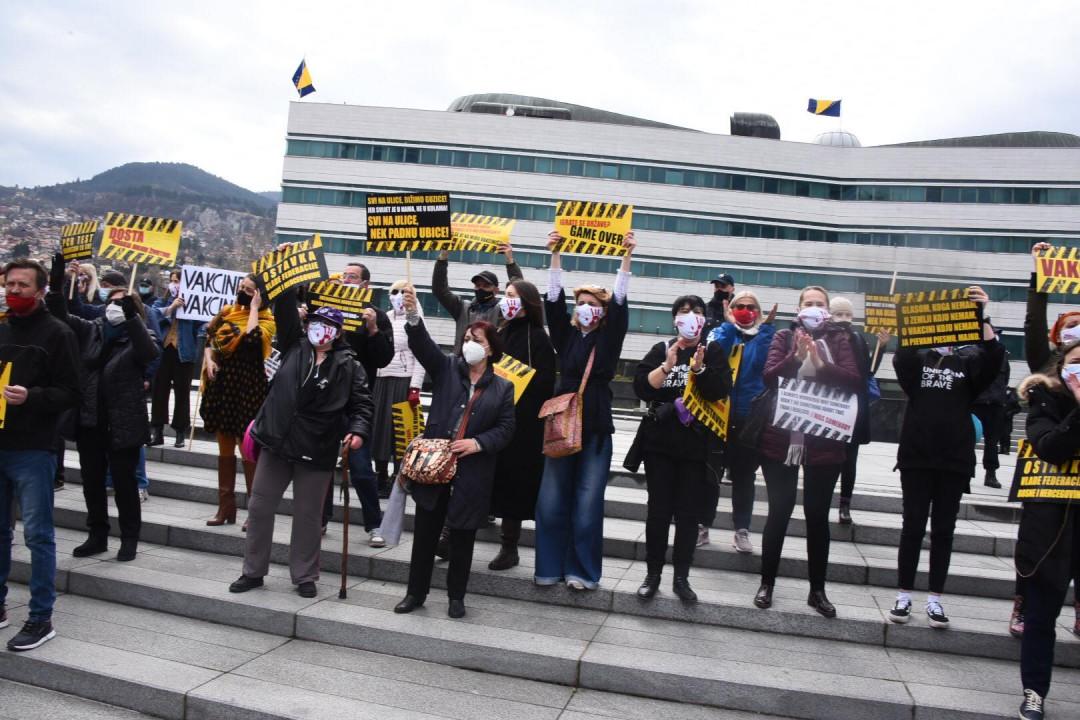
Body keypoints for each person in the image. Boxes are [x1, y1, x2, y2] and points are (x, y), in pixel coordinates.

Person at [228, 297, 373, 599]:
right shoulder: (294, 345)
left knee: (308, 516)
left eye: (329, 325)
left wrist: (357, 431)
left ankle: (305, 575)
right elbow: (283, 308)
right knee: (259, 507)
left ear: (338, 332)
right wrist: (290, 284)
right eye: (316, 323)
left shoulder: (349, 366)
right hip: (277, 441)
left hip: (316, 449)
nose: (321, 329)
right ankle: (253, 571)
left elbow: (362, 405)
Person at [393, 288, 515, 618]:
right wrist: (413, 314)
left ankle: (456, 597)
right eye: (466, 339)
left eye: (477, 340)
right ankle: (415, 594)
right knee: (425, 536)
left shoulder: (504, 387)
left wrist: (478, 443)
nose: (470, 345)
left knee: (462, 537)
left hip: (472, 472)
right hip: (435, 467)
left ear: (491, 349)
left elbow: (506, 429)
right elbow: (423, 346)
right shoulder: (447, 368)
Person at [888, 287, 1002, 629]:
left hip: (954, 461)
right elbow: (902, 355)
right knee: (912, 527)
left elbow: (994, 358)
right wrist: (912, 318)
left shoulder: (968, 364)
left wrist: (982, 313)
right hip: (917, 458)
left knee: (943, 531)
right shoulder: (918, 361)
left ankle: (935, 599)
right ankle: (904, 595)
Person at [533, 231, 634, 591]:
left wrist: (626, 258)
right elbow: (553, 303)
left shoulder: (609, 338)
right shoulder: (567, 337)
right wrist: (556, 255)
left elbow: (621, 305)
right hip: (561, 424)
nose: (585, 307)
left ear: (602, 311)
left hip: (594, 429)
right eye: (582, 301)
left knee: (587, 503)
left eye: (593, 302)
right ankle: (548, 567)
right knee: (550, 500)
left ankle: (582, 571)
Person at [752, 286, 861, 617]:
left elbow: (853, 380)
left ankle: (817, 590)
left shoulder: (841, 340)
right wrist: (796, 357)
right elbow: (769, 377)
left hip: (825, 440)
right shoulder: (784, 337)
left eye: (820, 304)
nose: (814, 308)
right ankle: (767, 583)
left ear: (828, 310)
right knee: (779, 513)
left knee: (817, 517)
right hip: (781, 438)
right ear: (798, 309)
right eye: (808, 304)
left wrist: (819, 362)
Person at [47, 255, 160, 563]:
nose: (114, 306)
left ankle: (129, 538)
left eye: (122, 302)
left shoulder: (141, 335)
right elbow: (61, 315)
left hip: (123, 423)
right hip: (90, 420)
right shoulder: (92, 330)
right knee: (92, 482)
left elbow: (148, 353)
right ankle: (97, 534)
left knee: (124, 484)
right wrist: (58, 284)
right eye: (112, 300)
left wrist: (132, 319)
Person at [0, 257, 80, 652]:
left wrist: (31, 398)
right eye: (9, 284)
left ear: (42, 290)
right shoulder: (0, 326)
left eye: (22, 286)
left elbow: (72, 392)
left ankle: (40, 617)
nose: (14, 291)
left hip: (33, 449)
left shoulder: (58, 333)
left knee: (37, 536)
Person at [632, 295, 731, 603]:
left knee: (688, 515)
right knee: (658, 512)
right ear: (675, 318)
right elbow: (642, 387)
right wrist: (667, 366)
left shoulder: (713, 351)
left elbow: (721, 390)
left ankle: (681, 577)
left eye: (697, 312)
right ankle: (653, 574)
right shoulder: (662, 349)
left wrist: (700, 370)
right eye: (685, 312)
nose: (691, 317)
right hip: (659, 444)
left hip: (695, 446)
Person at [1013, 242, 1080, 639]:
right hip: (1045, 473)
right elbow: (1033, 323)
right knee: (1035, 544)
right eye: (1070, 327)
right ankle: (1024, 601)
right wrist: (1039, 274)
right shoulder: (1045, 365)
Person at [1013, 344, 1080, 719]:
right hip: (1050, 527)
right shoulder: (1044, 397)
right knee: (1041, 615)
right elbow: (1051, 447)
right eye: (1077, 363)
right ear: (1061, 367)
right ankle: (1034, 691)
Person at [319, 261, 393, 545]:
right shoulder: (328, 311)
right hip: (325, 401)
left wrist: (373, 329)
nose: (346, 279)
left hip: (356, 404)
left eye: (353, 277)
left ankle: (374, 524)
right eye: (344, 275)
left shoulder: (377, 316)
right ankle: (321, 518)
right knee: (322, 465)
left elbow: (384, 358)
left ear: (365, 285)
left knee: (362, 468)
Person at [487, 279, 557, 571]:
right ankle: (453, 534)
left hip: (523, 425)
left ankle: (509, 545)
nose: (506, 300)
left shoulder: (538, 338)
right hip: (491, 419)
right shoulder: (499, 332)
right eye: (505, 295)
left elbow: (545, 383)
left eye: (512, 295)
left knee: (514, 485)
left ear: (527, 303)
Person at [200, 275, 275, 528]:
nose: (242, 291)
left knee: (248, 451)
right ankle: (225, 507)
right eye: (241, 288)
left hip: (249, 389)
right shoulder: (226, 313)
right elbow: (210, 339)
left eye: (249, 289)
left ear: (259, 295)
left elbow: (252, 340)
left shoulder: (267, 321)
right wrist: (209, 359)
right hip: (224, 386)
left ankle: (254, 512)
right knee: (224, 448)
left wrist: (253, 309)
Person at [705, 290, 777, 552]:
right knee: (710, 473)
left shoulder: (764, 336)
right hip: (718, 414)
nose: (746, 310)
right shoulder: (722, 332)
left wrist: (766, 330)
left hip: (749, 418)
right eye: (740, 306)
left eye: (751, 307)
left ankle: (741, 530)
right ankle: (703, 525)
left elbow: (762, 363)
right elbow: (715, 354)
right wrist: (727, 325)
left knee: (745, 477)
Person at [828, 297, 889, 525]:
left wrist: (881, 348)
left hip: (853, 407)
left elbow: (868, 370)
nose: (843, 319)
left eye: (847, 315)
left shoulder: (857, 338)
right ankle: (825, 499)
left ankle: (845, 503)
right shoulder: (826, 337)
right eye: (839, 314)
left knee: (849, 459)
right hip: (831, 405)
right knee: (829, 458)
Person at [371, 280, 425, 498]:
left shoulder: (416, 320)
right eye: (395, 292)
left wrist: (415, 387)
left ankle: (399, 475)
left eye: (404, 292)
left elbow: (421, 355)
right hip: (381, 379)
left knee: (399, 432)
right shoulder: (384, 318)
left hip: (404, 380)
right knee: (379, 429)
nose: (398, 296)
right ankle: (380, 474)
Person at [432, 244, 523, 352]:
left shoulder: (503, 311)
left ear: (496, 291)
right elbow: (440, 290)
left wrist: (510, 261)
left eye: (486, 286)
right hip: (462, 364)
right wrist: (443, 257)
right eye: (478, 285)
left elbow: (519, 290)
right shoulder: (462, 308)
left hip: (491, 365)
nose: (481, 289)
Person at [149, 270, 204, 448]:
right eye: (172, 281)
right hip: (164, 351)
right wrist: (171, 308)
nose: (174, 284)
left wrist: (207, 326)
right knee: (159, 391)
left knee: (182, 393)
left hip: (184, 353)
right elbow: (153, 315)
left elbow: (202, 325)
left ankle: (180, 432)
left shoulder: (195, 303)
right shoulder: (163, 300)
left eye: (178, 281)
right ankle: (157, 430)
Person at [966, 325, 1011, 489]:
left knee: (992, 443)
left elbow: (1005, 380)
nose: (995, 336)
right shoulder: (971, 352)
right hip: (976, 404)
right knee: (968, 441)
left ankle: (990, 474)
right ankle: (966, 473)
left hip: (995, 404)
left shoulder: (1003, 357)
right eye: (994, 333)